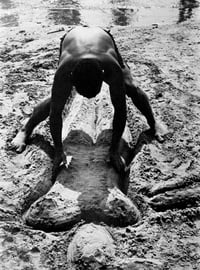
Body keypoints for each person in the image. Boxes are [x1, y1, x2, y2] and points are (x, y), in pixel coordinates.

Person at [12, 26, 163, 180]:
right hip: (71, 40)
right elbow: (55, 113)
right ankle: (26, 129)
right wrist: (58, 150)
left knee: (129, 87)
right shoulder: (65, 70)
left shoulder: (111, 67)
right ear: (72, 80)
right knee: (56, 99)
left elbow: (120, 109)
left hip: (103, 38)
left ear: (104, 77)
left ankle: (153, 122)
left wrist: (114, 150)